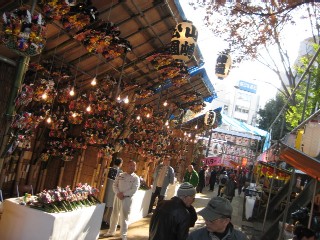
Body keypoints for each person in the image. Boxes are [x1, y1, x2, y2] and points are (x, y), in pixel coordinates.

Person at [103, 160, 140, 240]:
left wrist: (123, 194)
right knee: (114, 215)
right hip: (117, 197)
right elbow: (114, 185)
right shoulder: (120, 175)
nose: (132, 167)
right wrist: (117, 193)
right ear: (127, 166)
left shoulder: (136, 178)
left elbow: (134, 190)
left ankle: (123, 235)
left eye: (134, 166)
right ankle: (111, 232)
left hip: (127, 199)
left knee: (124, 217)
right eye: (131, 165)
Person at [102, 158, 123, 228]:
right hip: (113, 191)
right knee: (111, 207)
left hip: (105, 190)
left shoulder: (108, 169)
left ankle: (101, 219)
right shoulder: (120, 172)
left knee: (104, 205)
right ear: (120, 164)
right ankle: (107, 221)